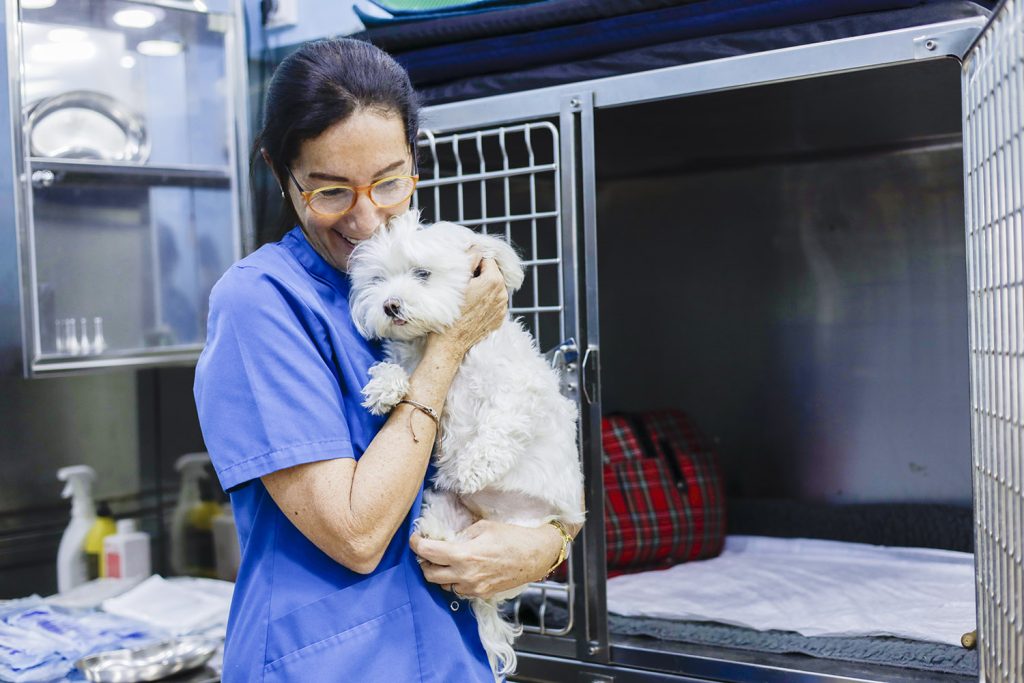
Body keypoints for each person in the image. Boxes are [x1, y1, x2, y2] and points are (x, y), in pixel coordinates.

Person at [194, 38, 578, 681]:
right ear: (278, 171)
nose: (368, 219)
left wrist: (543, 545)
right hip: (333, 662)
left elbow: (516, 458)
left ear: (415, 164)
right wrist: (449, 347)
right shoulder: (259, 305)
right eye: (331, 191)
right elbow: (357, 534)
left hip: (454, 657)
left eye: (389, 181)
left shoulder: (432, 267)